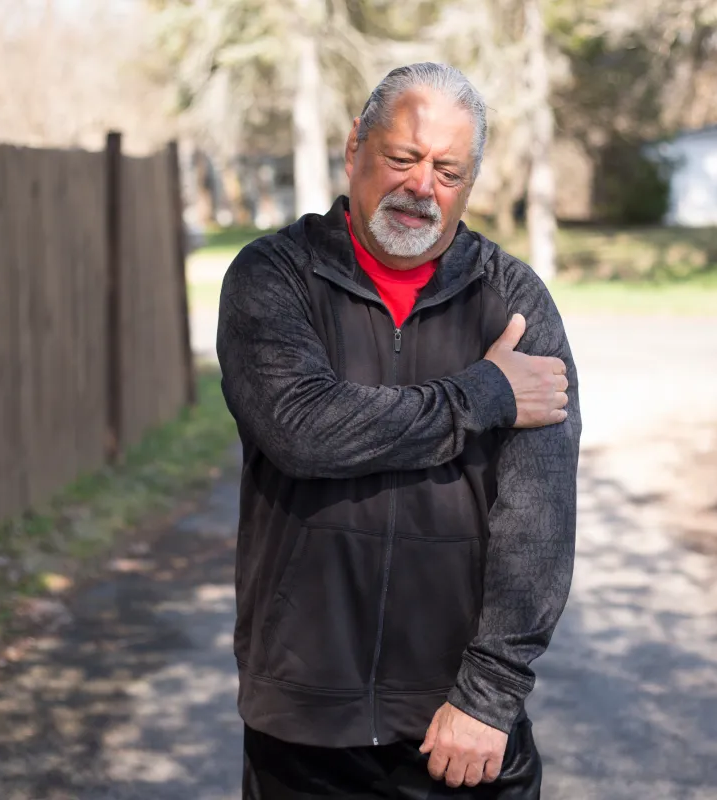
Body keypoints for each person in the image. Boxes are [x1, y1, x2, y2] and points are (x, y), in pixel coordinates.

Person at [217, 62, 581, 799]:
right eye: (403, 157)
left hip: (459, 724)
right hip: (303, 719)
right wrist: (484, 392)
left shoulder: (513, 302)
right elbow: (305, 429)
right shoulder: (273, 277)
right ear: (355, 146)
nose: (422, 187)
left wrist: (491, 695)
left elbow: (539, 515)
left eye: (447, 170)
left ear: (471, 183)